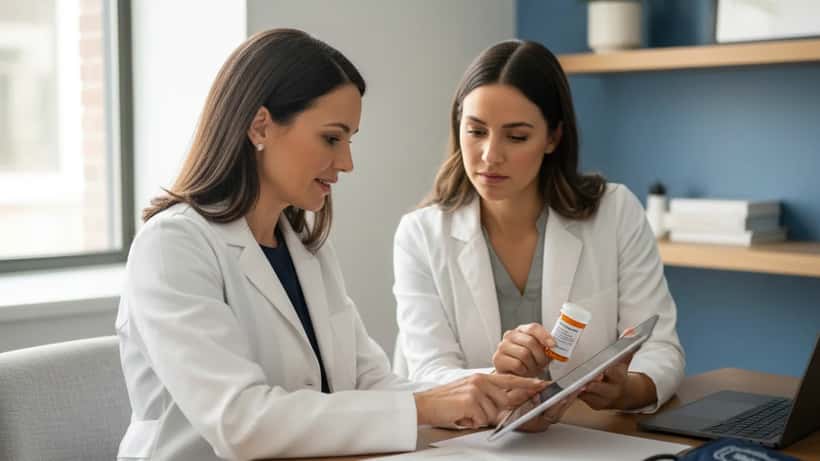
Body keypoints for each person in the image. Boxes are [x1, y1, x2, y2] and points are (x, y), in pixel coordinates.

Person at [115, 29, 548, 461]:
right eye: (331, 138)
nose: (347, 162)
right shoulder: (172, 247)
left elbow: (373, 384)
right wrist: (425, 407)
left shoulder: (306, 248)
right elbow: (239, 422)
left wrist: (491, 396)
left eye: (349, 140)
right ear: (260, 126)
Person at [392, 39, 685, 428]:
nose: (490, 155)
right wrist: (501, 388)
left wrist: (626, 390)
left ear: (553, 138)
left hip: (587, 438)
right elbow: (428, 372)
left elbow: (660, 348)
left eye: (516, 137)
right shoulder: (420, 235)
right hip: (469, 444)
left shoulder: (615, 213)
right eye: (476, 131)